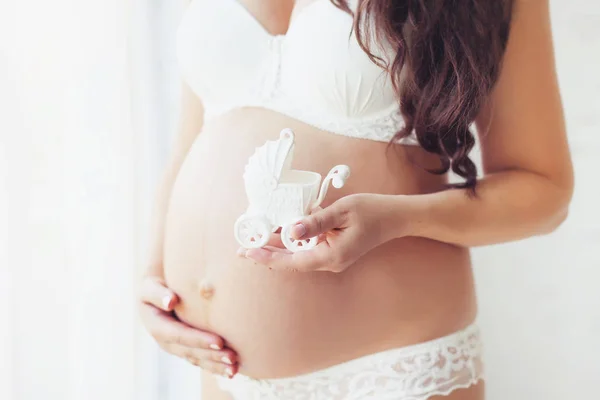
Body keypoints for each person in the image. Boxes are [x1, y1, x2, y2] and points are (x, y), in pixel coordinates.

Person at [138, 0, 573, 399]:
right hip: (224, 371)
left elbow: (543, 188)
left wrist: (395, 219)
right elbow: (191, 141)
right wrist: (153, 281)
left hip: (392, 368)